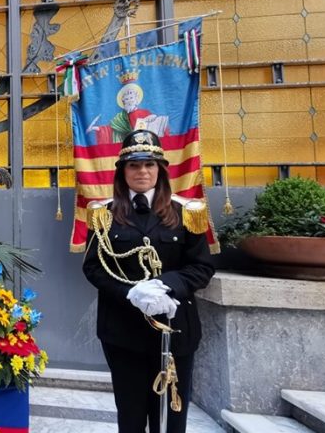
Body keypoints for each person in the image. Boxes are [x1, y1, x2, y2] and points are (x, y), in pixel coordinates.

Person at [82, 129, 213, 433]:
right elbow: (94, 268)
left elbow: (202, 267)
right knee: (130, 415)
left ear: (160, 170)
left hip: (174, 330)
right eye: (134, 165)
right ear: (122, 171)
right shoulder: (103, 214)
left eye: (149, 165)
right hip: (123, 331)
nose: (142, 171)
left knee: (171, 417)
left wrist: (167, 285)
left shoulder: (186, 212)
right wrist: (132, 292)